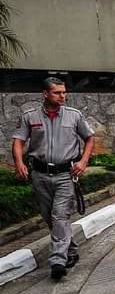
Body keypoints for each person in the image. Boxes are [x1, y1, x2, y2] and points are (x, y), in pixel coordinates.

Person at [11, 77, 95, 280]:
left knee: (59, 216)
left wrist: (83, 162)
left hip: (66, 175)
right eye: (57, 92)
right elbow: (18, 141)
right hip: (39, 175)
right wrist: (19, 163)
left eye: (64, 92)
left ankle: (58, 260)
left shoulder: (74, 116)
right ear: (45, 94)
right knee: (50, 217)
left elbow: (89, 138)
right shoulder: (29, 117)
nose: (62, 96)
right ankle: (71, 251)